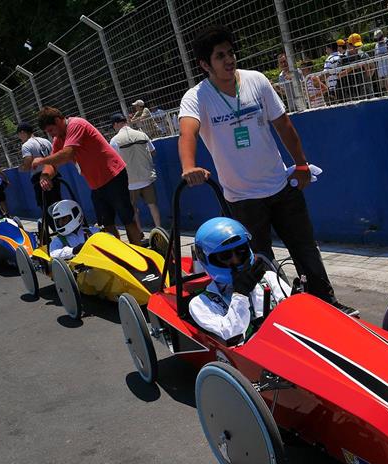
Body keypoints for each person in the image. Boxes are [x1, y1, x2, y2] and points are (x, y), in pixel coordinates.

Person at [178, 25, 357, 316]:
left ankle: (327, 304)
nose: (229, 60)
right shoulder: (196, 97)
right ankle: (277, 314)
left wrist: (301, 164)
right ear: (204, 65)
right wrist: (188, 166)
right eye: (220, 56)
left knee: (305, 249)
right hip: (242, 199)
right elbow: (187, 132)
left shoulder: (256, 80)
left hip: (280, 186)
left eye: (231, 53)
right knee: (259, 261)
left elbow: (283, 124)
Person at [33, 106, 143, 245]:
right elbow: (53, 163)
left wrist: (42, 160)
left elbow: (68, 153)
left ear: (58, 120)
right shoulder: (59, 138)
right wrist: (45, 175)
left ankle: (138, 252)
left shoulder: (76, 124)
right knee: (106, 224)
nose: (51, 135)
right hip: (97, 185)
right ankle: (117, 255)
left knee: (127, 218)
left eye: (51, 130)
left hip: (113, 176)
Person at [189, 217, 291, 342]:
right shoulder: (200, 304)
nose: (236, 260)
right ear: (209, 260)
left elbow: (294, 312)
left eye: (240, 251)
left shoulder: (268, 278)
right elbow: (232, 333)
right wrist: (240, 294)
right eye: (225, 256)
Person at [109, 113, 162, 232]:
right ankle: (159, 230)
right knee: (152, 205)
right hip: (147, 177)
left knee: (133, 208)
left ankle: (139, 232)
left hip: (130, 181)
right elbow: (153, 152)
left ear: (116, 124)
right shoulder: (142, 134)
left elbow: (113, 161)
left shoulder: (114, 141)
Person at [337, 33, 374, 101]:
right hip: (351, 93)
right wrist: (351, 68)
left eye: (359, 46)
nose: (357, 48)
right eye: (355, 46)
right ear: (348, 45)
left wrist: (365, 67)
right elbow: (338, 75)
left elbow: (371, 70)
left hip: (366, 92)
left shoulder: (363, 55)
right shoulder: (343, 59)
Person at [373, 29, 388, 96]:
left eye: (379, 38)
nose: (378, 40)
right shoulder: (376, 45)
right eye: (377, 39)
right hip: (381, 71)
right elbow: (376, 57)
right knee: (386, 88)